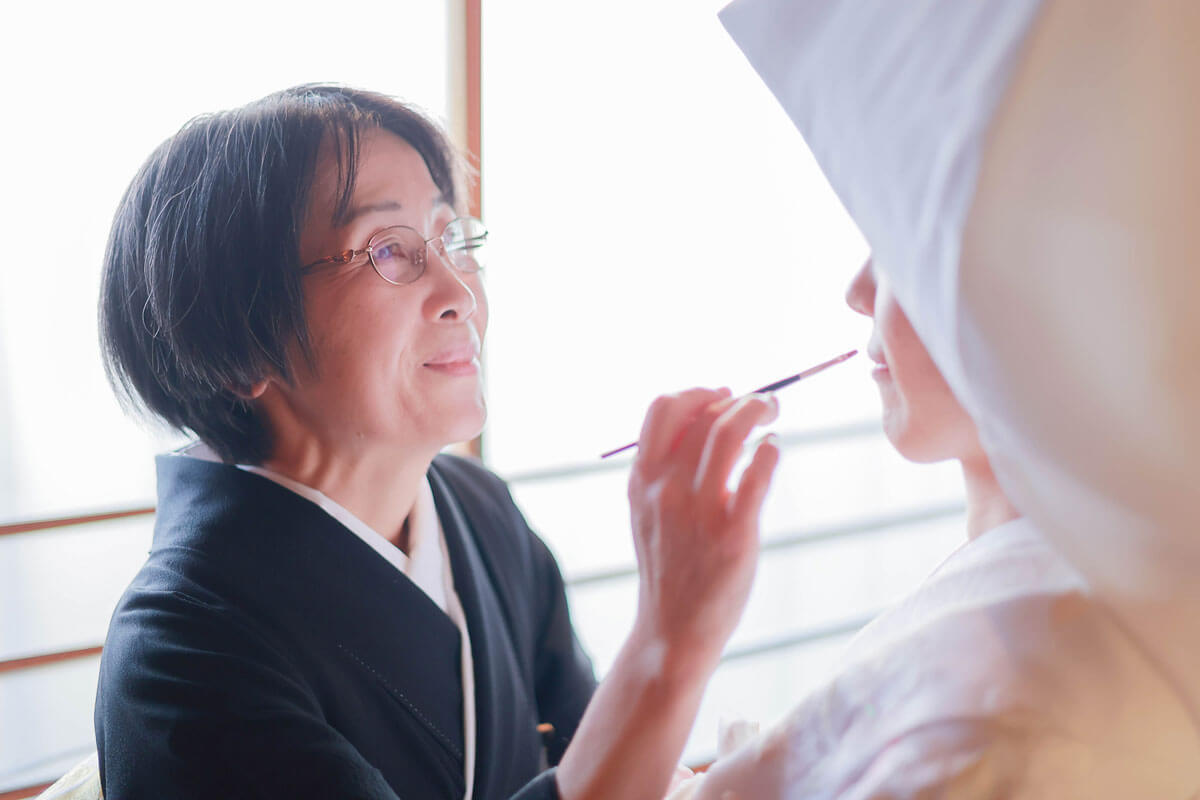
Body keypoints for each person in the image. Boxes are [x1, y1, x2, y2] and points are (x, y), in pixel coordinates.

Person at [95, 84, 781, 800]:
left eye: (451, 237)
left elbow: (604, 754)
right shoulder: (182, 651)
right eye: (389, 249)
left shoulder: (479, 511)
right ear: (239, 347)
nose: (459, 289)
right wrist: (670, 644)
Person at [663, 259, 1200, 798]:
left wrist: (668, 648)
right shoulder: (1109, 584)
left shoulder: (985, 706)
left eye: (899, 249)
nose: (857, 290)